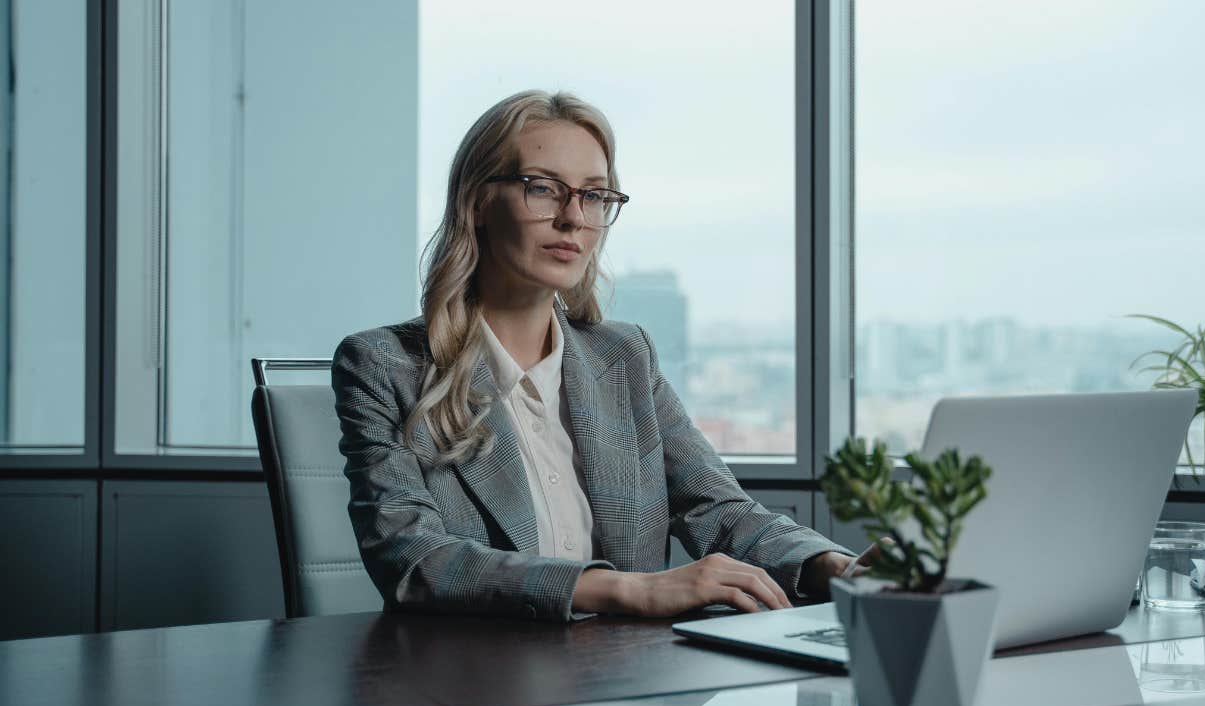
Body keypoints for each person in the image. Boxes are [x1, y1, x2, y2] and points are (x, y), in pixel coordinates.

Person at [332, 89, 855, 622]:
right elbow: (415, 558)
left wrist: (836, 568)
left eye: (595, 196)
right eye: (543, 189)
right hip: (473, 684)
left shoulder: (624, 356)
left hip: (628, 681)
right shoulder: (384, 365)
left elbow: (718, 510)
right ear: (479, 202)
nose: (573, 218)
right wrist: (628, 590)